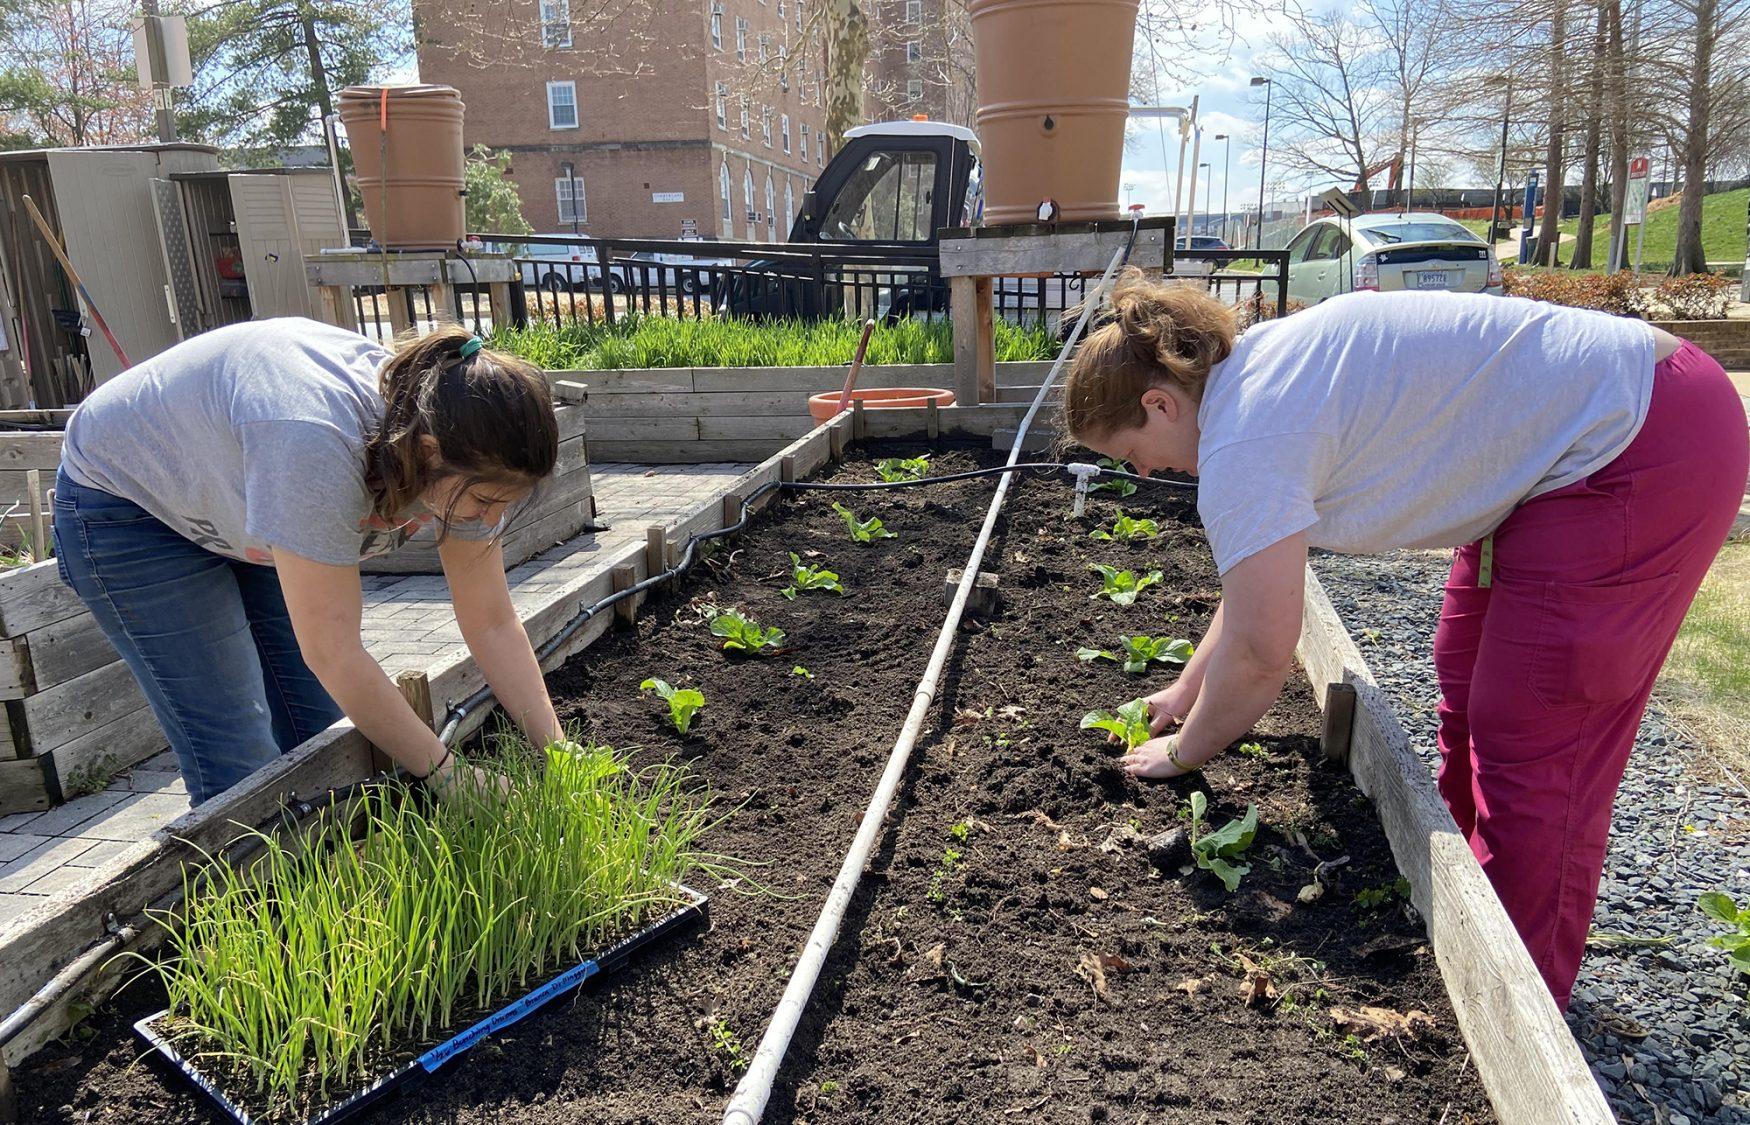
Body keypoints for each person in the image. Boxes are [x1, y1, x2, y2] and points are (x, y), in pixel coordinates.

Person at [1062, 270, 1747, 1009]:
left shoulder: (1246, 434)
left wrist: (1187, 749)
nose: (1141, 471)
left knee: (1538, 724)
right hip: (1586, 439)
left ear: (1159, 403)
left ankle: (1514, 998)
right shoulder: (1249, 382)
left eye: (1131, 451)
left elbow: (1263, 655)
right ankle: (1458, 890)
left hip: (1637, 438)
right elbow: (1253, 595)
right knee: (1464, 656)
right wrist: (1185, 688)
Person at [54, 318, 566, 806]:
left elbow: (493, 622)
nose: (489, 519)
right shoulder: (316, 445)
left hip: (238, 481)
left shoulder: (462, 455)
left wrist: (561, 757)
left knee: (319, 735)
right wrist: (450, 776)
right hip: (128, 505)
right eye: (485, 503)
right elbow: (334, 653)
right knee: (240, 757)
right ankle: (253, 895)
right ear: (428, 450)